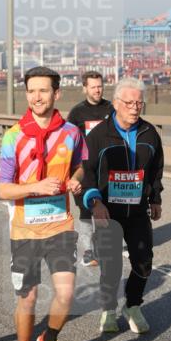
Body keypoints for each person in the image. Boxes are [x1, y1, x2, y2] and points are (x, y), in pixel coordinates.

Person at [0, 67, 84, 341]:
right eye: (31, 91)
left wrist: (75, 182)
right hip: (25, 230)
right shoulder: (13, 137)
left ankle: (49, 339)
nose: (36, 97)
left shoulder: (72, 133)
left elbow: (80, 168)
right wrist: (36, 188)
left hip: (60, 225)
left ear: (56, 94)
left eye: (43, 90)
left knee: (66, 293)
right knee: (29, 297)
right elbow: (3, 189)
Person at [79, 77, 164, 335]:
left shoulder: (150, 133)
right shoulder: (98, 135)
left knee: (144, 261)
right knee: (111, 265)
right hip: (108, 212)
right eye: (129, 102)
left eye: (139, 103)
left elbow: (156, 169)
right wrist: (94, 202)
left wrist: (156, 198)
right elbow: (87, 172)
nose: (135, 107)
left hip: (137, 211)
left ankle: (133, 305)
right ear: (116, 103)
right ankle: (108, 310)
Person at [66, 71, 114, 268]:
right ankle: (87, 251)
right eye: (93, 87)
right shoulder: (77, 113)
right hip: (84, 168)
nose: (97, 90)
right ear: (85, 88)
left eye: (100, 86)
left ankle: (104, 245)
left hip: (108, 168)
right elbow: (68, 141)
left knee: (107, 209)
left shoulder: (112, 108)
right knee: (86, 209)